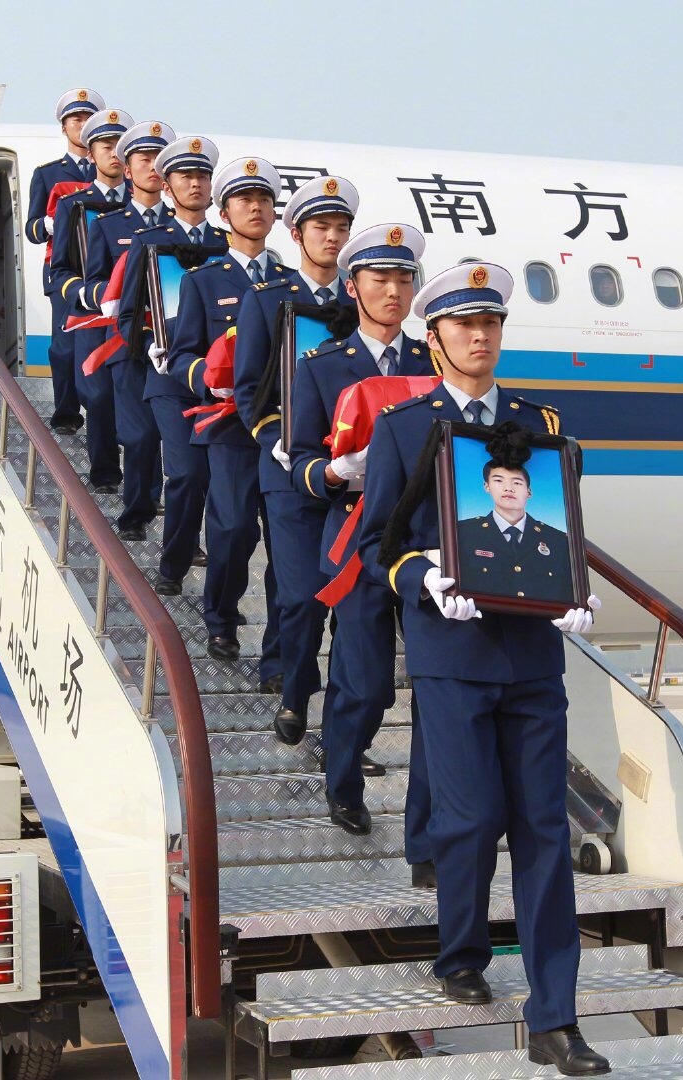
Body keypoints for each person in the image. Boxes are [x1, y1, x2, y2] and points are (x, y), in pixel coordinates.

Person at [356, 262, 609, 1076]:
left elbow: (559, 528)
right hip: (451, 655)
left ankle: (555, 1018)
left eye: (491, 324)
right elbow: (374, 548)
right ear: (434, 340)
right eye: (464, 325)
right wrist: (420, 576)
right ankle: (460, 950)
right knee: (466, 822)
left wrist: (576, 590)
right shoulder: (402, 427)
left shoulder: (543, 426)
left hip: (532, 656)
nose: (480, 337)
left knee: (543, 832)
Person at [289, 222, 436, 853]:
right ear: (353, 287)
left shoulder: (434, 363)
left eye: (404, 280)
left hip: (425, 533)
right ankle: (342, 778)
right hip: (355, 531)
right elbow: (295, 457)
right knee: (366, 677)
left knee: (431, 677)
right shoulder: (321, 367)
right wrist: (333, 471)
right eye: (380, 279)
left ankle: (428, 818)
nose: (394, 291)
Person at [230, 177, 358, 715]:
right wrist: (278, 440)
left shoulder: (360, 301)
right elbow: (248, 390)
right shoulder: (267, 301)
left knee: (346, 601)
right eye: (321, 227)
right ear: (296, 232)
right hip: (287, 468)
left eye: (341, 228)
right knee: (296, 586)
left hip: (350, 473)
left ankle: (330, 708)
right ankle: (288, 679)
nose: (332, 238)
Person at [166, 158, 293, 691]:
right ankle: (221, 617)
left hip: (288, 433)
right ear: (224, 214)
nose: (257, 208)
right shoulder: (203, 281)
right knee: (234, 530)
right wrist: (209, 380)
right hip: (232, 431)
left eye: (264, 200)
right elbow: (179, 355)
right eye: (245, 201)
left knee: (285, 546)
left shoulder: (291, 284)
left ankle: (279, 657)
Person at [119, 136, 227, 593]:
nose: (196, 184)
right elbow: (127, 314)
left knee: (215, 482)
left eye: (203, 176)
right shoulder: (148, 243)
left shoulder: (226, 246)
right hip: (168, 379)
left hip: (220, 381)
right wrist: (148, 346)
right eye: (186, 176)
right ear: (167, 184)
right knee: (184, 473)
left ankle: (199, 568)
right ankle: (173, 564)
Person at [78, 119, 176, 541]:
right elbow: (90, 282)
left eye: (160, 160)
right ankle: (137, 512)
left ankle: (170, 521)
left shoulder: (184, 230)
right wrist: (113, 294)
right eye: (143, 159)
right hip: (128, 345)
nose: (152, 166)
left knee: (174, 445)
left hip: (177, 349)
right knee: (139, 435)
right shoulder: (108, 225)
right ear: (127, 167)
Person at [49, 108, 132, 493]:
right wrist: (88, 293)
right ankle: (104, 473)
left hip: (136, 321)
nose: (113, 153)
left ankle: (139, 485)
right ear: (92, 153)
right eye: (105, 145)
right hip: (92, 317)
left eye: (120, 146)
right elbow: (61, 269)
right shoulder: (73, 206)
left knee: (134, 404)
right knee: (95, 396)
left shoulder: (143, 210)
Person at [23, 86, 104, 434]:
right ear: (64, 127)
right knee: (64, 345)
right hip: (64, 268)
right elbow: (30, 227)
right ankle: (67, 412)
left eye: (88, 118)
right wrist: (51, 223)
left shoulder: (111, 172)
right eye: (76, 118)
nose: (81, 124)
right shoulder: (48, 173)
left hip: (104, 269)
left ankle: (102, 415)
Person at [455, 460, 574, 604]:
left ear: (529, 491)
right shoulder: (463, 533)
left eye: (517, 483)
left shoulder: (557, 540)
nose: (508, 488)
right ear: (487, 486)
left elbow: (567, 593)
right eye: (499, 480)